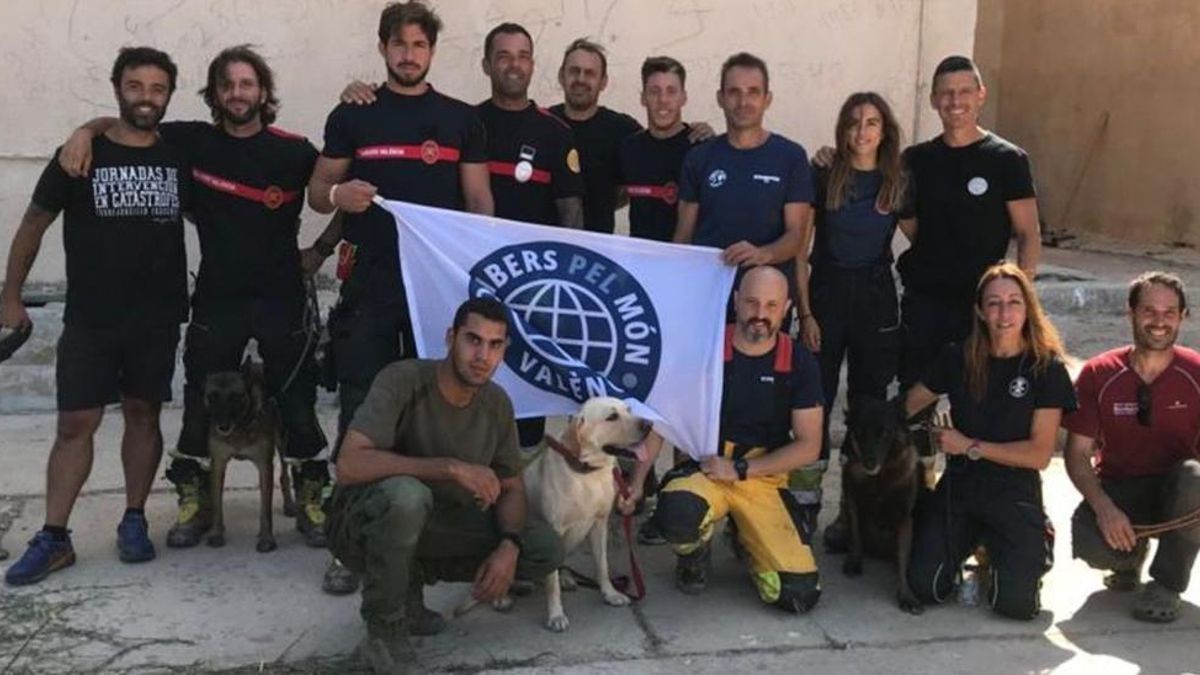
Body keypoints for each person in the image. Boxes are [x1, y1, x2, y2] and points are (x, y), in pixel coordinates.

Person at [58, 44, 334, 551]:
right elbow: (130, 123)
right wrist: (85, 131)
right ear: (215, 94)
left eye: (247, 84)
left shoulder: (294, 151)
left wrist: (321, 247)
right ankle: (197, 502)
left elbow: (344, 185)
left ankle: (313, 500)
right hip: (217, 298)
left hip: (281, 298)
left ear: (264, 92)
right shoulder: (190, 141)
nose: (237, 93)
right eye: (227, 85)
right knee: (200, 402)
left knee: (296, 400)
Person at [310, 1, 494, 594]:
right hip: (369, 287)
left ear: (432, 52)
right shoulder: (353, 114)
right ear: (383, 48)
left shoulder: (460, 119)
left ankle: (422, 531)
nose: (408, 55)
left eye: (419, 45)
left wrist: (476, 274)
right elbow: (316, 192)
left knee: (432, 410)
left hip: (437, 290)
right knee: (362, 408)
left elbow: (480, 206)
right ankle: (347, 543)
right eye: (399, 45)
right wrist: (341, 193)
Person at [2, 47, 189, 585]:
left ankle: (134, 520)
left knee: (143, 416)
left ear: (169, 95)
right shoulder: (79, 154)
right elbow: (34, 224)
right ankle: (54, 536)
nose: (146, 98)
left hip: (155, 315)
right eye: (135, 87)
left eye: (157, 89)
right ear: (117, 88)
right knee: (74, 424)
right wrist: (11, 296)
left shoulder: (178, 153)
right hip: (92, 315)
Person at [325, 297, 563, 674]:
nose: (482, 355)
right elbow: (349, 464)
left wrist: (509, 544)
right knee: (407, 496)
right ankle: (383, 631)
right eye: (473, 340)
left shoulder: (497, 404)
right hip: (361, 520)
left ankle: (409, 588)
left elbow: (512, 487)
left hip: (436, 521)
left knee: (543, 548)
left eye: (494, 345)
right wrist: (449, 468)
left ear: (505, 351)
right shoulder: (402, 380)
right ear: (451, 338)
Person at [673, 51, 818, 516]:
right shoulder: (700, 158)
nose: (743, 101)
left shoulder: (791, 157)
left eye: (752, 92)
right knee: (698, 402)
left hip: (765, 307)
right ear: (720, 97)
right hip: (708, 306)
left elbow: (798, 235)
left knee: (764, 407)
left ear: (767, 98)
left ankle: (760, 503)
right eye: (733, 91)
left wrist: (762, 255)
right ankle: (687, 496)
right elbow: (684, 234)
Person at [630, 266, 824, 613]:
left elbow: (809, 445)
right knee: (676, 514)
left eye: (771, 305)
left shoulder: (798, 361)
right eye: (751, 302)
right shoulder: (704, 349)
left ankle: (749, 541)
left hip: (762, 475)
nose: (760, 315)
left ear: (787, 308)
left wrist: (742, 468)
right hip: (708, 468)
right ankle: (694, 555)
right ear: (735, 301)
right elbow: (662, 422)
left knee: (797, 594)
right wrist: (636, 482)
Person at [905, 262, 1076, 619]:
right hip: (962, 485)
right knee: (925, 586)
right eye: (994, 303)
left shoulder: (1047, 369)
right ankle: (974, 543)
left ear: (1028, 308)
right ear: (981, 311)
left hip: (1014, 489)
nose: (1004, 313)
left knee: (1014, 605)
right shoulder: (957, 357)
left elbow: (1039, 455)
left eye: (1014, 302)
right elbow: (906, 407)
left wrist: (968, 445)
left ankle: (1026, 545)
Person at [895, 55, 1041, 392]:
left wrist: (1020, 293)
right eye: (946, 93)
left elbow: (1027, 233)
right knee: (916, 394)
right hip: (925, 301)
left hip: (980, 304)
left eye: (964, 92)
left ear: (980, 95)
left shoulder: (1007, 159)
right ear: (934, 100)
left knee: (977, 394)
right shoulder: (916, 160)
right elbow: (910, 223)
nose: (955, 102)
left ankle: (966, 448)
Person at [1064, 271, 1200, 623]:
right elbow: (1077, 453)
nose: (1159, 321)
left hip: (1179, 489)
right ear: (1131, 313)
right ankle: (1130, 557)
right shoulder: (1099, 373)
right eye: (1149, 311)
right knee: (1091, 542)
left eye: (1169, 313)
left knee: (1195, 478)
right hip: (1120, 487)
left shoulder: (1196, 372)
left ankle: (1167, 583)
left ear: (1182, 317)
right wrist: (1105, 508)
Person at [476, 22, 586, 450]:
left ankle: (517, 502)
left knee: (525, 401)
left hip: (531, 293)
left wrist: (561, 291)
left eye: (522, 56)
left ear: (533, 65)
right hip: (473, 283)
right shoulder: (466, 123)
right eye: (503, 56)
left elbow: (570, 215)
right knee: (472, 390)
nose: (514, 65)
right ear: (487, 64)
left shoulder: (555, 133)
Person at [804, 92, 906, 547]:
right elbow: (799, 249)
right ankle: (806, 506)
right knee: (814, 402)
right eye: (854, 123)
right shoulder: (823, 173)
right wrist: (803, 310)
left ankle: (858, 514)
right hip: (827, 295)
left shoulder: (898, 181)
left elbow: (922, 239)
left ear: (884, 131)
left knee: (869, 410)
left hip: (875, 299)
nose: (862, 131)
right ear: (842, 131)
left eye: (871, 123)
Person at [548, 38, 642, 234]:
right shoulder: (543, 124)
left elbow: (663, 147)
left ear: (603, 82)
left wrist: (697, 133)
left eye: (590, 73)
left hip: (598, 252)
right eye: (574, 71)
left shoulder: (623, 130)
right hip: (543, 250)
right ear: (561, 76)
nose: (581, 79)